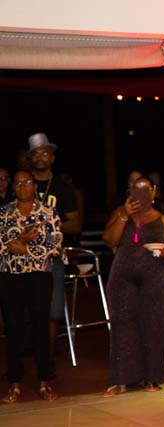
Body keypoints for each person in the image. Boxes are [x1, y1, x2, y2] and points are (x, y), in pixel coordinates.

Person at [101, 177, 164, 396]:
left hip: (156, 274)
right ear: (129, 192)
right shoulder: (121, 212)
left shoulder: (163, 220)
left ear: (154, 192)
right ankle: (121, 379)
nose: (141, 194)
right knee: (122, 324)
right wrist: (124, 214)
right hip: (123, 275)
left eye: (146, 190)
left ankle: (152, 378)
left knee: (155, 324)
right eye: (136, 190)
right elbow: (109, 240)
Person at [0, 170, 62, 403]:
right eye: (18, 183)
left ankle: (45, 381)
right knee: (13, 328)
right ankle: (14, 383)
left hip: (39, 276)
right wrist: (21, 240)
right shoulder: (4, 213)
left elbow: (54, 246)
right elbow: (2, 246)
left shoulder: (47, 212)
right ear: (13, 187)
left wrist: (23, 248)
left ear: (35, 186)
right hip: (10, 275)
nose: (23, 186)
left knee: (40, 327)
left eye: (27, 182)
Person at [27, 133, 81, 373]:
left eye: (44, 153)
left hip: (52, 256)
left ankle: (46, 362)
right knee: (22, 309)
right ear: (30, 159)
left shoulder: (62, 189)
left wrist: (49, 227)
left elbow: (75, 224)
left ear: (52, 157)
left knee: (52, 309)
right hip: (21, 256)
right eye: (36, 154)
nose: (40, 157)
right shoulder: (22, 184)